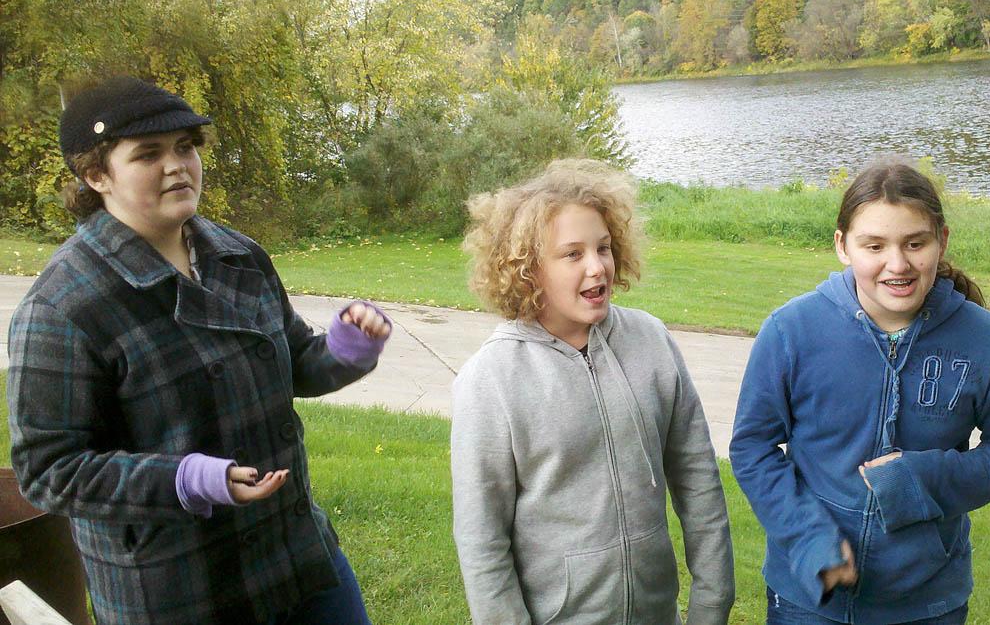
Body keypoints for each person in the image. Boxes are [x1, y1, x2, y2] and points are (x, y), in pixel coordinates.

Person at [6, 76, 391, 625]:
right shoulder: (64, 307)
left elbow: (293, 362)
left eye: (185, 146)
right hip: (180, 592)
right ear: (95, 175)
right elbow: (49, 470)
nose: (178, 165)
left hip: (298, 557)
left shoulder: (239, 255)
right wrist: (187, 480)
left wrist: (346, 350)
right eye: (148, 154)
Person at [729, 159, 990, 625]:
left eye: (916, 243)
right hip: (807, 597)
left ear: (942, 241)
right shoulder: (790, 331)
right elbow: (752, 447)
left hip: (928, 601)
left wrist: (920, 478)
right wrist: (810, 536)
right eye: (874, 245)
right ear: (842, 246)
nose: (898, 264)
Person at [451, 159, 736, 624]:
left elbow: (698, 480)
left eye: (603, 248)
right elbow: (482, 540)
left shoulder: (653, 341)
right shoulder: (491, 379)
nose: (597, 267)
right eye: (572, 254)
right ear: (528, 269)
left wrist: (711, 602)